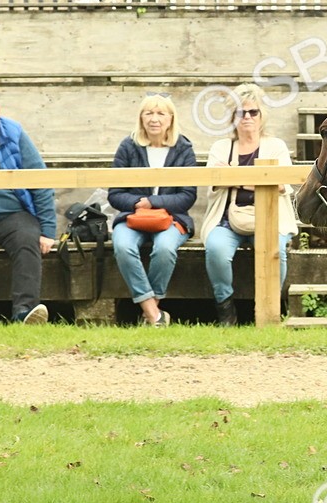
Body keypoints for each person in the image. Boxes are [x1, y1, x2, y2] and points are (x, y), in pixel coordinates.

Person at [201, 84, 298, 326]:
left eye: (252, 112)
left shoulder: (276, 146)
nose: (247, 118)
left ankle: (272, 307)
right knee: (216, 249)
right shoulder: (221, 147)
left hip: (270, 219)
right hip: (229, 219)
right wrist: (257, 180)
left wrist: (234, 176)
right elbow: (213, 183)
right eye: (240, 113)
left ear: (261, 115)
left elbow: (281, 185)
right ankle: (225, 309)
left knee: (276, 250)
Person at [107, 94, 198, 327]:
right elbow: (115, 194)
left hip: (172, 218)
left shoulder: (184, 148)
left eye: (160, 114)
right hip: (133, 217)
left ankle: (151, 310)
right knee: (123, 245)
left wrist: (153, 202)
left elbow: (187, 196)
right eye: (149, 113)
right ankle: (154, 313)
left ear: (170, 119)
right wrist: (139, 202)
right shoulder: (128, 146)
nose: (154, 119)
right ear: (141, 118)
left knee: (165, 248)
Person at [0, 82, 55, 324]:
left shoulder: (14, 133)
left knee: (27, 238)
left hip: (11, 214)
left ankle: (24, 312)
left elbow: (40, 180)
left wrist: (49, 230)